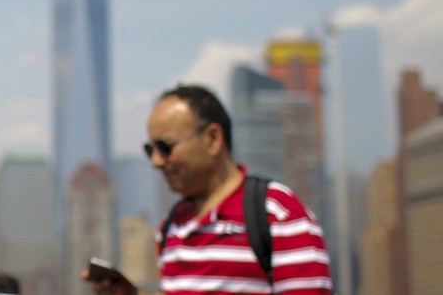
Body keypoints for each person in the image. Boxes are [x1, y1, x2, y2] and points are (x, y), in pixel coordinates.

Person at [85, 84, 331, 295]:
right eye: (150, 150)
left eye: (165, 147)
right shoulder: (170, 227)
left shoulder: (277, 212)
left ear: (212, 139)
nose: (157, 162)